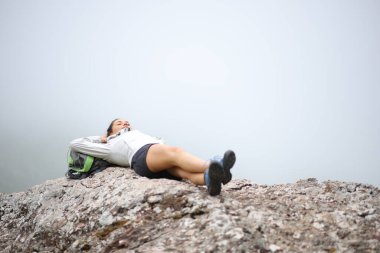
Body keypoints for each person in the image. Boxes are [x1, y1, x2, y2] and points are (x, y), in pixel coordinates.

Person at [69, 118, 236, 196]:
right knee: (176, 152)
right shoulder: (108, 145)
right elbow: (75, 143)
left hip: (150, 162)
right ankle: (216, 165)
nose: (125, 123)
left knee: (182, 172)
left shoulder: (135, 134)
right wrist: (100, 138)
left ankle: (210, 180)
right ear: (110, 131)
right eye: (119, 123)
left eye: (126, 122)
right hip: (142, 156)